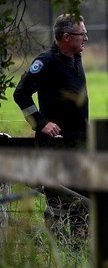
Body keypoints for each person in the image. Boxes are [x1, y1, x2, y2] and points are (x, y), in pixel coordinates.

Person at [13, 14, 91, 245]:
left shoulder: (76, 57)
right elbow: (21, 94)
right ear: (66, 37)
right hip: (56, 144)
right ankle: (57, 247)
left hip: (79, 141)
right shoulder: (46, 62)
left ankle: (79, 245)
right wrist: (41, 123)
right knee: (58, 198)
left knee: (82, 195)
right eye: (82, 34)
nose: (86, 38)